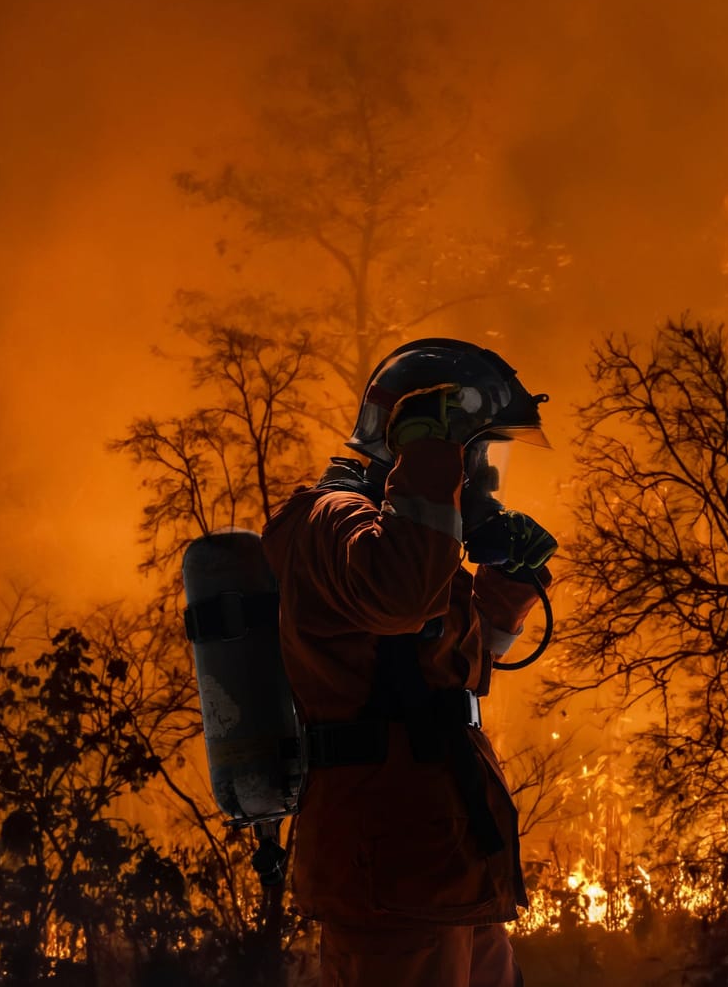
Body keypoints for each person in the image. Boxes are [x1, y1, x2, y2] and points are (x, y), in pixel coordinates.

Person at [262, 338, 557, 987]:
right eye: (475, 450)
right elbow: (399, 601)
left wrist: (510, 580)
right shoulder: (334, 522)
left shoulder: (406, 535)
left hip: (446, 861)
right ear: (411, 437)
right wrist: (431, 464)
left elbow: (458, 675)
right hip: (389, 866)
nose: (484, 473)